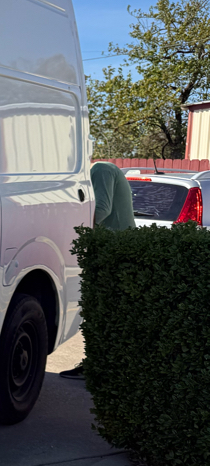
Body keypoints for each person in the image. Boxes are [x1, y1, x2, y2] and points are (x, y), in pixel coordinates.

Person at [60, 159, 136, 379]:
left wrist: (72, 231)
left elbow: (101, 209)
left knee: (103, 310)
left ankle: (98, 367)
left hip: (114, 250)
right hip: (116, 248)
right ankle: (101, 364)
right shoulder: (104, 170)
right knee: (106, 311)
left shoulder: (101, 169)